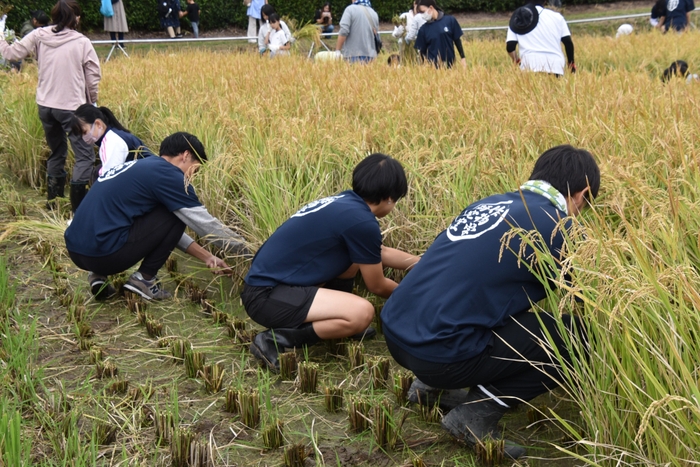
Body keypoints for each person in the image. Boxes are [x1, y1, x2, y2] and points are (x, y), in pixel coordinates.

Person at [380, 145, 600, 459]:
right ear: (582, 193)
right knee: (578, 337)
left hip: (397, 333)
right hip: (440, 353)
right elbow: (590, 297)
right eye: (585, 206)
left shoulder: (490, 204)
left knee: (500, 299)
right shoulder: (559, 226)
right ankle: (474, 416)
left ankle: (430, 388)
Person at [242, 153, 421, 372]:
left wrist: (422, 263)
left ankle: (340, 320)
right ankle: (275, 340)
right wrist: (416, 298)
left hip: (268, 288)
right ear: (390, 198)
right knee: (362, 313)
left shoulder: (345, 203)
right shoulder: (362, 222)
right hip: (267, 298)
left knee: (357, 259)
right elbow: (377, 285)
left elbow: (378, 252)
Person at [64, 132, 250, 301]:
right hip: (104, 253)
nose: (192, 177)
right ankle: (144, 279)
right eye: (195, 169)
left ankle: (98, 275)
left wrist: (207, 257)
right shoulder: (170, 175)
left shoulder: (138, 166)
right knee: (177, 212)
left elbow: (156, 230)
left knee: (158, 213)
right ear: (185, 155)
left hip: (77, 251)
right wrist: (249, 250)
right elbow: (206, 225)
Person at [0, 0, 100, 211]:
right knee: (85, 156)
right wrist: (92, 102)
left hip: (45, 106)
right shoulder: (82, 42)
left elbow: (10, 54)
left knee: (57, 152)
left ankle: (53, 203)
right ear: (77, 18)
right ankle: (78, 207)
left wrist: (0, 32)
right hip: (72, 107)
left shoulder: (39, 35)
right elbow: (93, 75)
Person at [71, 104, 156, 192]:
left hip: (147, 186)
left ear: (98, 124)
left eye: (84, 132)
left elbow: (109, 180)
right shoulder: (114, 135)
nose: (84, 137)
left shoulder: (112, 141)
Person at [506, 1, 576, 76]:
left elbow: (510, 46)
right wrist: (571, 64)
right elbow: (568, 42)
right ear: (545, 1)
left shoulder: (518, 18)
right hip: (556, 67)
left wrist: (517, 61)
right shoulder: (557, 17)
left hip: (529, 67)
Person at [414, 0, 465, 69]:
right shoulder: (423, 29)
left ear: (431, 8)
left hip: (450, 66)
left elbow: (457, 40)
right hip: (432, 69)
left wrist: (463, 58)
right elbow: (422, 51)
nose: (422, 15)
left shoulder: (450, 21)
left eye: (423, 12)